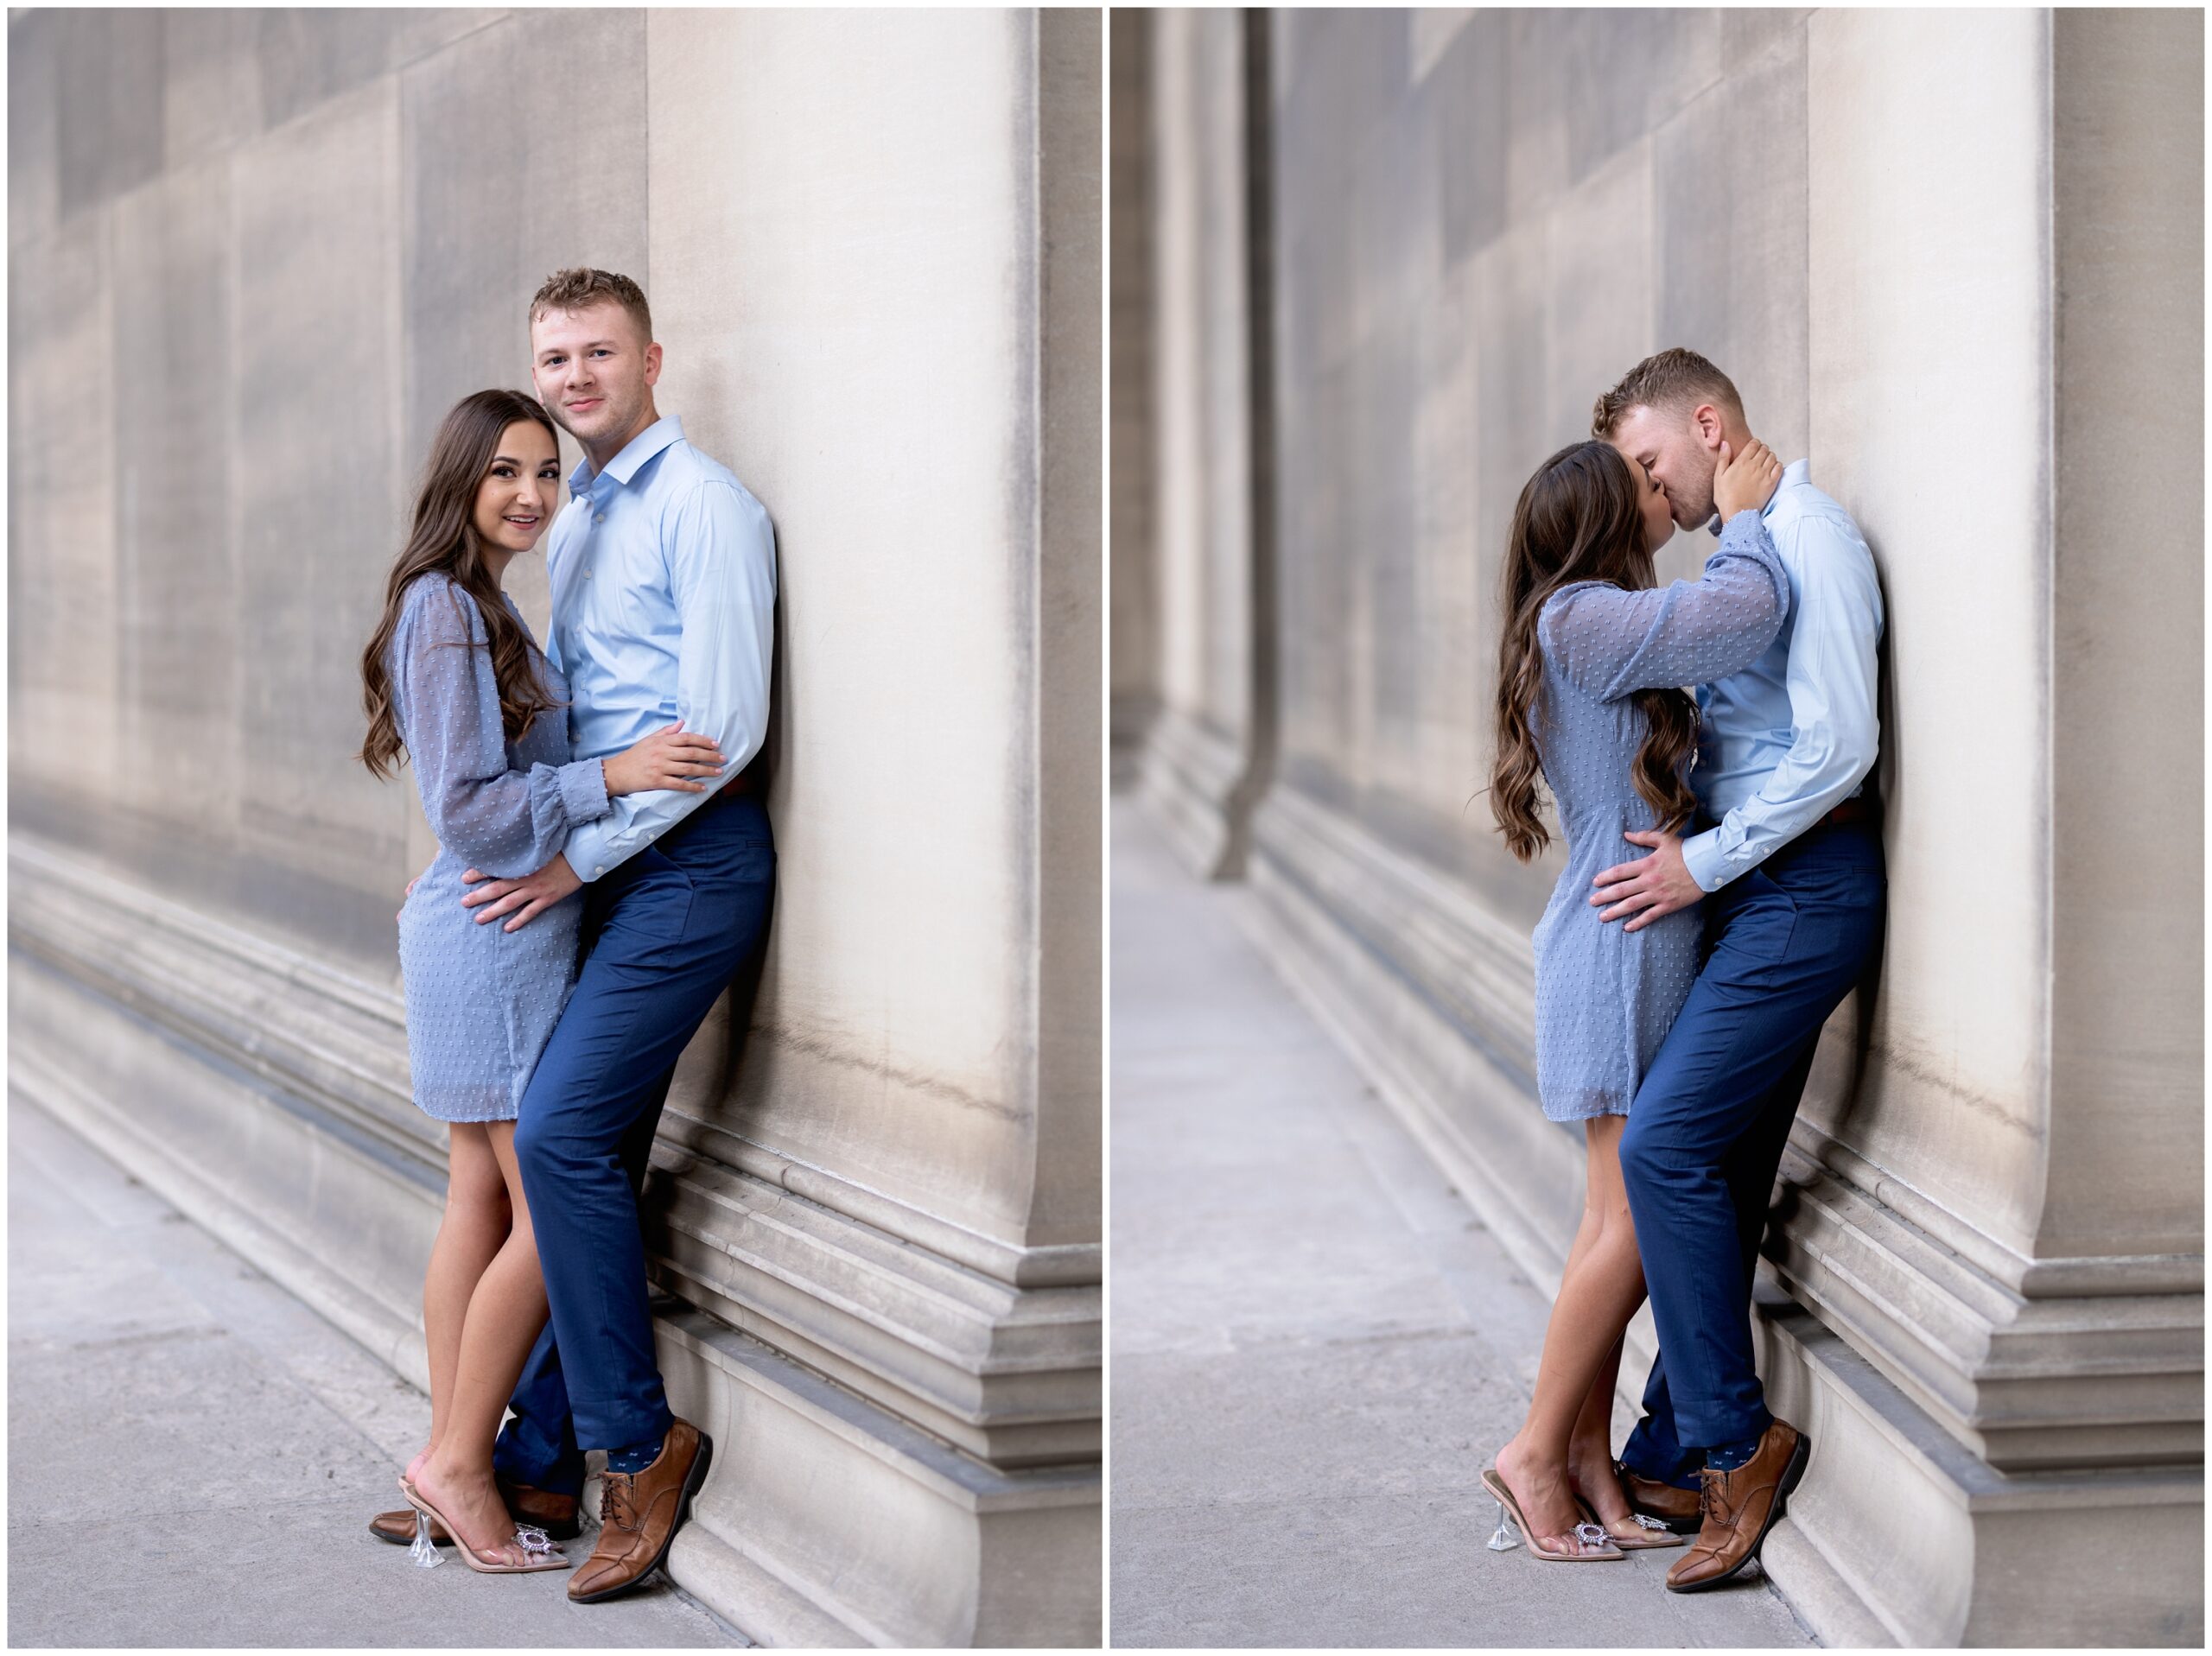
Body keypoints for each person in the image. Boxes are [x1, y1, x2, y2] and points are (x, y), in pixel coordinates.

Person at [357, 388, 729, 1572]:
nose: (528, 493)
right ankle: (462, 1462)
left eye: (546, 473)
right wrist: (611, 770)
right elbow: (467, 807)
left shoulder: (467, 604)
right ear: (459, 478)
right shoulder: (451, 612)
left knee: (480, 1192)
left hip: (479, 926)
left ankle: (447, 1457)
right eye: (505, 471)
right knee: (541, 1200)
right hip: (495, 925)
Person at [452, 269, 779, 1604]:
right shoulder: (572, 518)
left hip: (690, 872)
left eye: (599, 350)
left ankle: (639, 1449)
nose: (576, 374)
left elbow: (722, 730)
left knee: (562, 1134)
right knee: (578, 1154)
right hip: (595, 874)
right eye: (555, 355)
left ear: (654, 357)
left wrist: (567, 859)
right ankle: (530, 1454)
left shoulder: (707, 508)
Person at [1589, 348, 1886, 1593]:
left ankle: (1734, 1445)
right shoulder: (1750, 544)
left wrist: (1701, 864)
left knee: (1660, 1148)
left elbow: (1838, 746)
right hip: (1754, 889)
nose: (1650, 498)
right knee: (1714, 1159)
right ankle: (1666, 1443)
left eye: (1652, 465)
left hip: (1802, 894)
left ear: (1708, 425)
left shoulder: (1807, 536)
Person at [1484, 433, 1789, 1564]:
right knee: (1626, 1226)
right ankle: (1530, 1449)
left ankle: (1588, 1456)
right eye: (1644, 487)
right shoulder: (1584, 617)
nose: (1662, 493)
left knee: (1608, 1225)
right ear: (1606, 517)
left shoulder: (1581, 623)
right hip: (1618, 953)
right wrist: (1746, 518)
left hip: (1627, 943)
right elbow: (1744, 617)